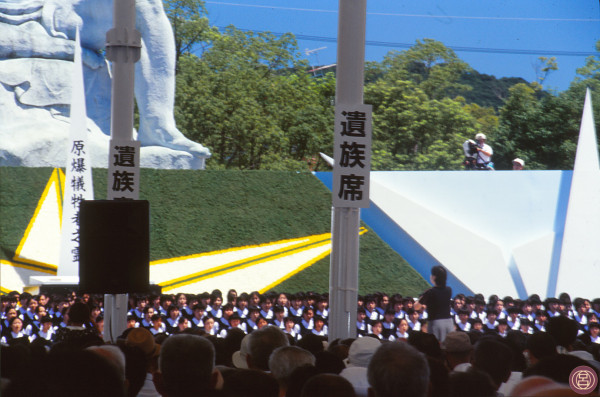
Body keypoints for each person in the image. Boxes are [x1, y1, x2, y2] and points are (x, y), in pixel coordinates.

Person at [419, 265, 454, 343]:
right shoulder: (449, 290)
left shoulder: (430, 292)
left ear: (434, 277)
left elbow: (416, 306)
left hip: (435, 323)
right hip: (448, 322)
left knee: (435, 346)